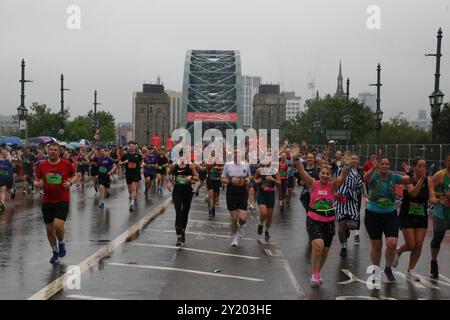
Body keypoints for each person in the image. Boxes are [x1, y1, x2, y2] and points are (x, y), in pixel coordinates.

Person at [294, 153, 350, 288]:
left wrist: (346, 165)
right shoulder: (312, 184)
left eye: (328, 174)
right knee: (318, 245)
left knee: (325, 250)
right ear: (319, 174)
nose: (325, 175)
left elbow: (342, 176)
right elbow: (301, 170)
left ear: (331, 176)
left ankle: (318, 271)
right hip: (314, 219)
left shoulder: (333, 186)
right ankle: (314, 274)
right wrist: (296, 159)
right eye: (323, 173)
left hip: (329, 221)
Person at [363, 156, 416, 284]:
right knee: (377, 245)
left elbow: (411, 180)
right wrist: (373, 168)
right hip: (373, 214)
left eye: (387, 164)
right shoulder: (374, 176)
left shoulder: (393, 177)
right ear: (378, 165)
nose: (385, 166)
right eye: (382, 164)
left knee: (392, 243)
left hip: (390, 215)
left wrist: (410, 171)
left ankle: (387, 268)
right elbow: (365, 179)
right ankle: (376, 269)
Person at [392, 157, 439, 280]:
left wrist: (440, 201)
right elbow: (413, 193)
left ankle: (410, 270)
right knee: (411, 244)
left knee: (419, 244)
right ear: (414, 167)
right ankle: (399, 251)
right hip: (407, 214)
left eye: (424, 166)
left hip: (421, 215)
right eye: (419, 166)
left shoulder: (428, 181)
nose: (422, 168)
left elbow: (432, 197)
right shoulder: (408, 178)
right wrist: (421, 180)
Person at [34, 142, 77, 264]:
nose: (52, 151)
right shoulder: (41, 166)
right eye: (50, 149)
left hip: (62, 199)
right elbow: (36, 181)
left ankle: (61, 242)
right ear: (47, 151)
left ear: (59, 152)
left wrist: (70, 183)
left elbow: (75, 175)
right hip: (47, 200)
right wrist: (38, 184)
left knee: (58, 225)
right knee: (49, 229)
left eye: (55, 150)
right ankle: (55, 252)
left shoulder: (66, 164)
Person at [335, 153, 365, 257]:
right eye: (347, 159)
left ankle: (346, 231)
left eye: (353, 159)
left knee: (353, 225)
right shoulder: (340, 169)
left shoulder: (356, 174)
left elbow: (360, 185)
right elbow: (341, 174)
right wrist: (346, 165)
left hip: (351, 202)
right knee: (340, 227)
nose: (350, 161)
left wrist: (365, 196)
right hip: (341, 201)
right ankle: (343, 247)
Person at [167, 151, 198, 246]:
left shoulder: (191, 166)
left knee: (185, 213)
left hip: (187, 192)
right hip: (177, 191)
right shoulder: (174, 165)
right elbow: (168, 174)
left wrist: (191, 178)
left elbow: (197, 178)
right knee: (178, 212)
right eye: (181, 154)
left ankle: (183, 230)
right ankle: (179, 236)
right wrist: (170, 182)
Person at [221, 149, 251, 247]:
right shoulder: (228, 165)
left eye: (239, 153)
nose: (237, 155)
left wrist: (247, 179)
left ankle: (241, 227)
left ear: (242, 154)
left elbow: (250, 177)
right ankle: (235, 237)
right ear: (233, 155)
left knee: (242, 218)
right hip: (231, 192)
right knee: (234, 219)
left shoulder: (246, 165)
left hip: (242, 191)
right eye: (235, 154)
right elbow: (222, 178)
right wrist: (230, 181)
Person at [429, 154, 450, 278]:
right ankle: (433, 262)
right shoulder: (440, 175)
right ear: (446, 162)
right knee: (438, 239)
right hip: (441, 213)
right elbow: (430, 190)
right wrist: (443, 195)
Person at [255, 158, 281, 242]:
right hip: (262, 193)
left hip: (270, 194)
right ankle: (260, 224)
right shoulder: (259, 170)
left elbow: (279, 182)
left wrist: (273, 179)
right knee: (264, 212)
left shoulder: (275, 171)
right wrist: (257, 181)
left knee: (269, 216)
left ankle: (267, 231)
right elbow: (254, 180)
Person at [119, 142, 142, 211]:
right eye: (130, 146)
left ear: (135, 147)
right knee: (130, 190)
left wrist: (142, 165)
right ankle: (133, 196)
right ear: (129, 147)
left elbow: (141, 162)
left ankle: (131, 204)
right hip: (128, 174)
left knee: (134, 188)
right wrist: (125, 162)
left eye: (133, 146)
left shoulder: (138, 155)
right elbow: (119, 163)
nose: (131, 147)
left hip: (136, 173)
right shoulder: (126, 155)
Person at [205, 150, 223, 219]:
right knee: (210, 195)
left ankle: (213, 207)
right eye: (212, 152)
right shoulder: (208, 159)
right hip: (210, 179)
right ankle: (210, 211)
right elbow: (206, 168)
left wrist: (219, 168)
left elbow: (223, 168)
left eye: (214, 152)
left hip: (217, 179)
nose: (213, 153)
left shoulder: (220, 159)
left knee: (214, 196)